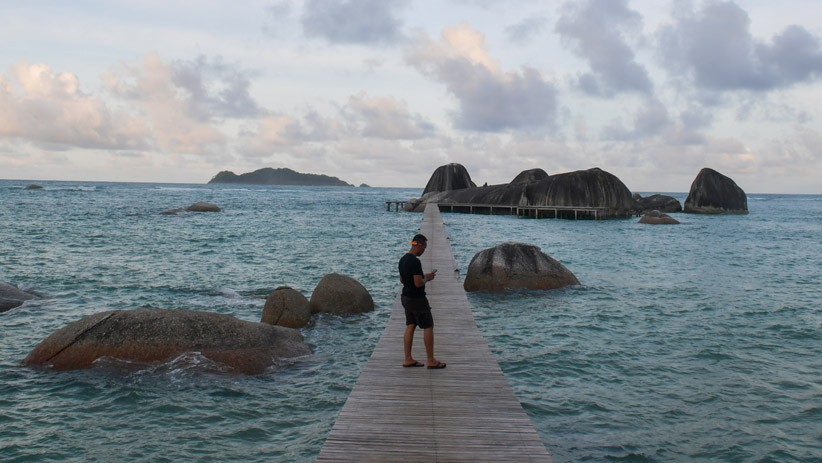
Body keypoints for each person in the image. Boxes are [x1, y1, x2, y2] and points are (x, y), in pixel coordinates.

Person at [398, 233, 446, 369]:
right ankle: (431, 360)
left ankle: (408, 358)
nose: (424, 250)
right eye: (424, 247)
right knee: (428, 326)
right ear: (418, 245)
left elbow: (402, 280)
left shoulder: (402, 260)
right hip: (417, 298)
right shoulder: (414, 261)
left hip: (405, 297)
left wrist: (419, 278)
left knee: (410, 325)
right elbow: (419, 283)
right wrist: (428, 278)